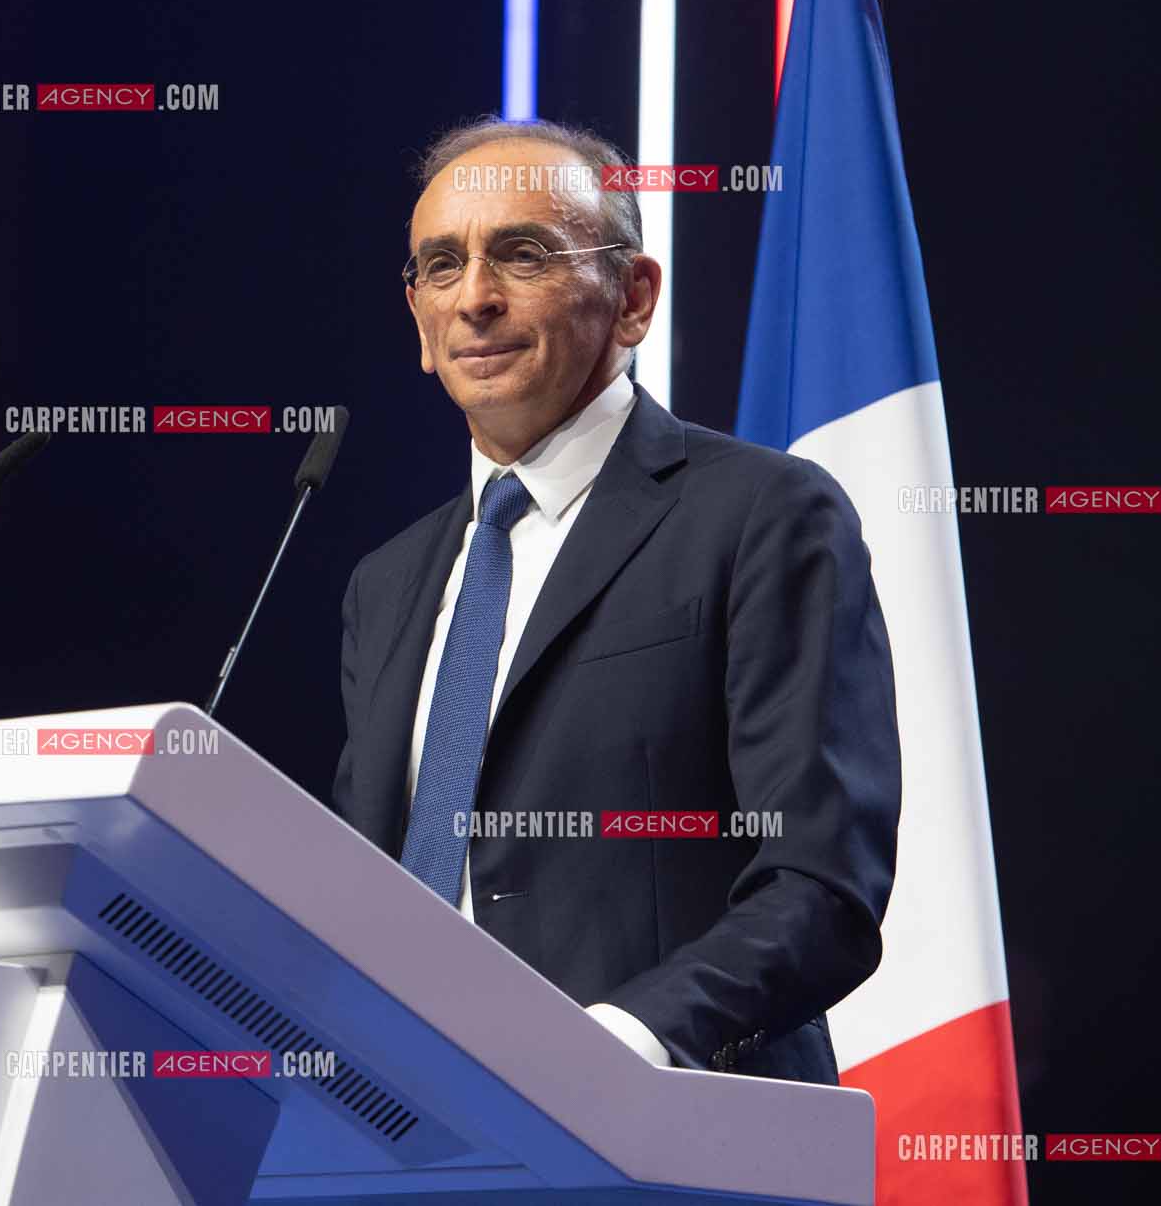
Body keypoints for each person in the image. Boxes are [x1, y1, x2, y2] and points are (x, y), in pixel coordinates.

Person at [332, 116, 900, 1082]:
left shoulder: (762, 513)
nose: (475, 298)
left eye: (523, 254)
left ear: (632, 298)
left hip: (675, 1133)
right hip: (408, 1130)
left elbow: (821, 884)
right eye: (441, 265)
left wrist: (619, 1048)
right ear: (418, 319)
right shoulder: (385, 584)